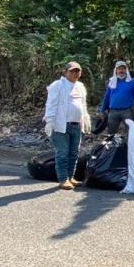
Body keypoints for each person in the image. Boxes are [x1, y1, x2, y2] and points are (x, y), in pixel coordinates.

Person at [43, 61, 92, 190]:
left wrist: (85, 119)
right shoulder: (58, 85)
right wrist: (50, 121)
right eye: (72, 71)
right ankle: (63, 179)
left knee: (74, 153)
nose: (75, 73)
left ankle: (70, 177)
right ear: (66, 72)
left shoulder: (80, 86)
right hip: (61, 125)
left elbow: (83, 104)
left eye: (78, 71)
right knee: (62, 153)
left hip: (76, 125)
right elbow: (51, 104)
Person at [99, 60, 134, 135]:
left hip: (127, 111)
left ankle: (128, 146)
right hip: (113, 111)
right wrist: (101, 110)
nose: (121, 71)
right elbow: (107, 97)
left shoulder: (132, 82)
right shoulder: (111, 81)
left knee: (130, 133)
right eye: (119, 69)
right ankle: (113, 146)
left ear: (126, 70)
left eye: (123, 69)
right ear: (116, 70)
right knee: (111, 133)